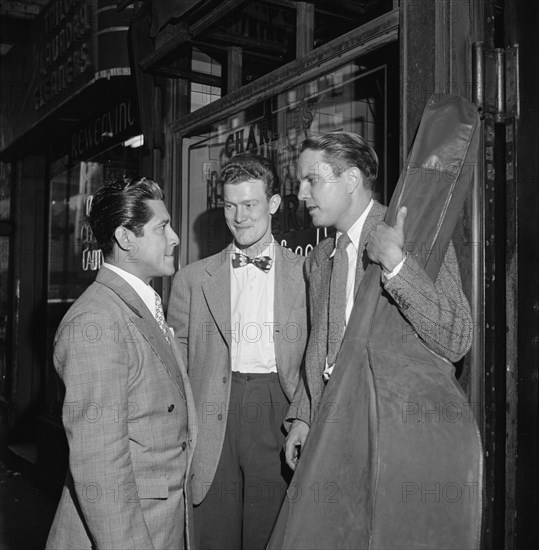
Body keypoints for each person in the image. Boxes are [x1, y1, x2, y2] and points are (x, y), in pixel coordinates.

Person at [284, 130, 473, 468]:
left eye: (311, 180)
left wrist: (397, 267)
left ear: (351, 179)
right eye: (301, 182)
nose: (301, 194)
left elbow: (456, 338)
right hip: (331, 433)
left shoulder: (414, 236)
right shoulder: (320, 258)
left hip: (394, 436)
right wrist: (304, 415)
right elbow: (320, 346)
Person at [46, 176, 198, 550]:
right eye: (162, 227)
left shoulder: (138, 305)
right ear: (126, 238)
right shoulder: (96, 323)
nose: (175, 237)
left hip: (159, 522)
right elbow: (100, 467)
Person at [167, 153, 308, 550]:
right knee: (213, 529)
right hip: (214, 410)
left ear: (274, 205)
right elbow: (175, 357)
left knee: (271, 532)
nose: (240, 216)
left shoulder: (307, 273)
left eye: (250, 205)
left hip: (278, 410)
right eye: (231, 206)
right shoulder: (192, 280)